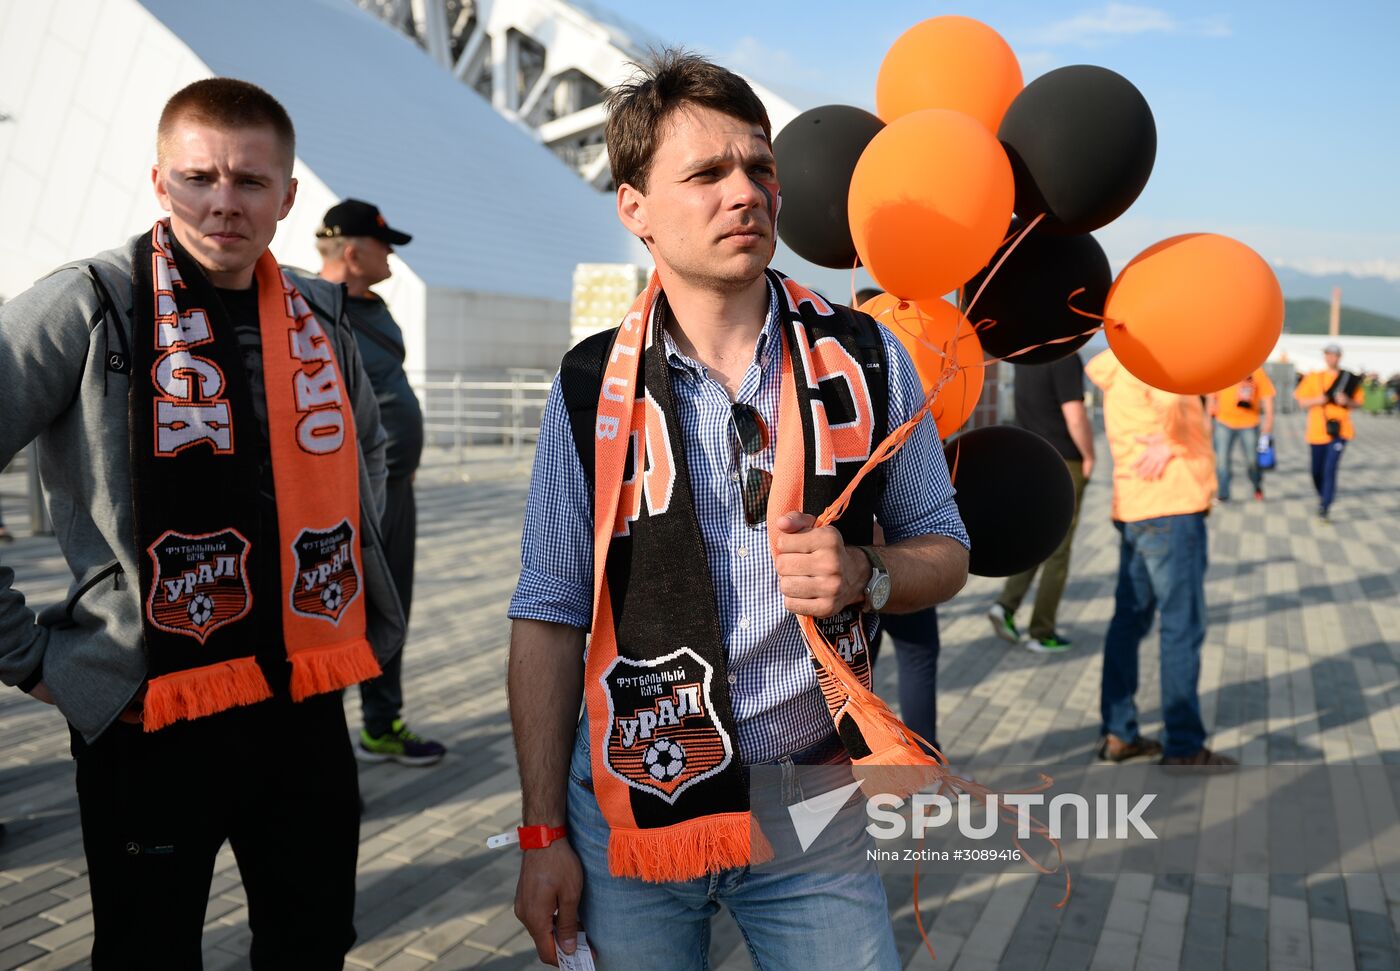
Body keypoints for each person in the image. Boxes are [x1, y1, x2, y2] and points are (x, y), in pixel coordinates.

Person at [506, 51, 970, 970]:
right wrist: (539, 833)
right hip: (636, 796)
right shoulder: (591, 384)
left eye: (759, 166)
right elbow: (550, 611)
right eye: (707, 174)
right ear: (634, 207)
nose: (745, 192)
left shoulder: (869, 354)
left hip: (810, 800)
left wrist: (866, 573)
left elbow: (946, 549)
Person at [0, 78, 406, 967]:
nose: (224, 201)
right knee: (148, 950)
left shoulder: (316, 316)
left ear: (288, 198)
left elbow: (369, 450)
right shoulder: (89, 301)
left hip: (304, 696)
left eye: (251, 182)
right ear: (160, 182)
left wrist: (346, 571)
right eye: (199, 177)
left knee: (312, 941)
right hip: (150, 712)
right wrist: (30, 657)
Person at [316, 199, 444, 767]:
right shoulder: (310, 312)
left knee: (393, 607)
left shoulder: (379, 309)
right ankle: (318, 743)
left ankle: (381, 723)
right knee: (334, 609)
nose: (392, 254)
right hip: (347, 494)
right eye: (385, 244)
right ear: (353, 251)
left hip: (398, 488)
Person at [1085, 350, 1234, 766]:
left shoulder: (1118, 365)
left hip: (1135, 505)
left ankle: (1119, 733)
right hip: (1172, 503)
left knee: (1128, 621)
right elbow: (1169, 402)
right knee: (1181, 625)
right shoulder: (1156, 362)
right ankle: (1184, 744)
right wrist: (1171, 441)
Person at [988, 353, 1095, 652]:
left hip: (1032, 457)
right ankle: (1042, 631)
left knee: (1035, 539)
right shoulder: (1066, 358)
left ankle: (1005, 606)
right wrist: (1090, 454)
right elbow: (1074, 414)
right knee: (1059, 551)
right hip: (1065, 461)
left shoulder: (1026, 357)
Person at [1294, 343, 1364, 522]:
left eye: (1335, 355)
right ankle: (1322, 495)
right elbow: (1301, 401)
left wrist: (1347, 401)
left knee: (1330, 468)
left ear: (1339, 357)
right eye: (1328, 354)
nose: (1331, 358)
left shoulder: (1348, 378)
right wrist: (1319, 399)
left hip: (1340, 430)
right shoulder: (1314, 377)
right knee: (1316, 471)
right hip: (1317, 431)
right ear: (1324, 356)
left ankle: (1325, 504)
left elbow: (1359, 403)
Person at [1206, 367, 1275, 502]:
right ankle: (1223, 493)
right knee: (1222, 461)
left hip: (1249, 423)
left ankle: (1257, 485)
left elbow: (1267, 396)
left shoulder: (1257, 371)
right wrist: (1208, 419)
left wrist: (1269, 420)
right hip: (1223, 422)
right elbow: (1211, 396)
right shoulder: (1223, 369)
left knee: (1252, 461)